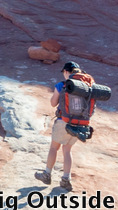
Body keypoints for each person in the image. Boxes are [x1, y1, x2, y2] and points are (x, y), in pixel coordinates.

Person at [35, 61, 86, 191]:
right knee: (67, 150)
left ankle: (47, 174)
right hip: (79, 123)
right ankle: (66, 179)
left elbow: (53, 103)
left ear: (66, 72)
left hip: (63, 121)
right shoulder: (85, 87)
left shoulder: (62, 85)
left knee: (54, 147)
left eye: (64, 72)